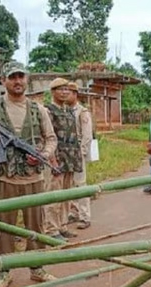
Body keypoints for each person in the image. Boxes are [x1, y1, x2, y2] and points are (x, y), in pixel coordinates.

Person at [0, 61, 58, 287]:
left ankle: (37, 268)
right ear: (4, 81)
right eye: (12, 77)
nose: (18, 81)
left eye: (21, 77)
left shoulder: (39, 109)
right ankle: (4, 272)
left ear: (26, 80)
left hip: (33, 179)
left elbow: (51, 138)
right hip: (4, 179)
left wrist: (43, 155)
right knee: (5, 227)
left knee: (35, 227)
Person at [43, 78, 84, 240]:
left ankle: (62, 226)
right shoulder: (48, 111)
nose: (65, 92)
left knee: (67, 195)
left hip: (70, 159)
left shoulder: (68, 111)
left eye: (67, 89)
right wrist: (52, 162)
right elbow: (48, 138)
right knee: (54, 195)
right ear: (53, 91)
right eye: (61, 89)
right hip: (56, 160)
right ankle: (51, 229)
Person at [66, 81, 93, 229]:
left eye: (68, 92)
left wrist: (81, 153)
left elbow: (87, 135)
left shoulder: (82, 112)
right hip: (66, 154)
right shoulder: (64, 110)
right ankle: (74, 212)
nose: (65, 95)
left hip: (77, 153)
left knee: (81, 185)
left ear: (75, 94)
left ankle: (85, 216)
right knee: (70, 185)